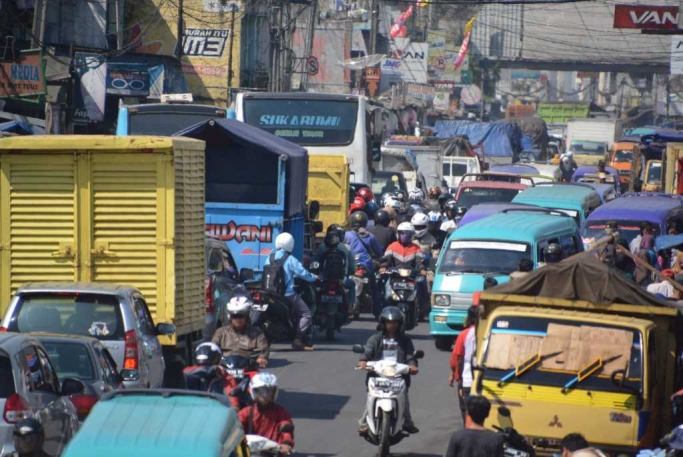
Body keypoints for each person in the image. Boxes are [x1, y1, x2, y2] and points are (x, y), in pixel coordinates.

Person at [357, 306, 419, 435]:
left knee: (404, 399)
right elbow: (367, 351)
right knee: (371, 397)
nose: (392, 326)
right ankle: (363, 423)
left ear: (400, 324)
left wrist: (412, 365)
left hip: (398, 376)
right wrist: (363, 360)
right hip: (378, 375)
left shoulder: (405, 340)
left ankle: (407, 423)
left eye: (395, 323)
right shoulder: (375, 339)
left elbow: (410, 356)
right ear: (383, 323)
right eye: (389, 323)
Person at [264, 232, 318, 351]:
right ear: (290, 244)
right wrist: (314, 277)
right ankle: (298, 340)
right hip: (287, 294)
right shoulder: (290, 259)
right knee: (306, 314)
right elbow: (303, 274)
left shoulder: (269, 257)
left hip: (269, 293)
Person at [238, 372, 294, 455]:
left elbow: (286, 430)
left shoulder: (281, 412)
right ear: (255, 392)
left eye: (269, 392)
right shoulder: (246, 412)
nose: (265, 395)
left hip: (273, 452)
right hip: (247, 451)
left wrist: (286, 444)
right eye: (261, 392)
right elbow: (235, 427)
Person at [345, 211, 384, 318]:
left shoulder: (346, 235)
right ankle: (377, 313)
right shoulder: (370, 236)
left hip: (350, 265)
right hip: (366, 266)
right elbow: (379, 253)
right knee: (375, 289)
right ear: (365, 222)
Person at [314, 225, 357, 319]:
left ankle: (314, 308)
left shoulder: (321, 247)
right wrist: (351, 272)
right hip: (342, 279)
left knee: (314, 287)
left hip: (324, 279)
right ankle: (350, 307)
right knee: (352, 285)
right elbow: (353, 267)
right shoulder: (346, 248)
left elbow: (314, 262)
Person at [213, 296, 270, 365]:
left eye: (241, 316)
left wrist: (261, 358)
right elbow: (212, 348)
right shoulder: (220, 332)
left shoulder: (257, 333)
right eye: (235, 316)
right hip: (224, 367)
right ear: (230, 317)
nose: (238, 319)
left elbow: (264, 349)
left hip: (248, 367)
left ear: (247, 316)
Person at [183, 342, 241, 409]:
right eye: (201, 366)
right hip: (194, 411)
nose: (204, 369)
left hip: (216, 413)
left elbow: (234, 405)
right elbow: (186, 373)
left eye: (208, 366)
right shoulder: (190, 373)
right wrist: (212, 369)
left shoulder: (226, 377)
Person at [449, 306, 479, 423]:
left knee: (466, 412)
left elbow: (456, 360)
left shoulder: (464, 334)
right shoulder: (491, 333)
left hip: (467, 381)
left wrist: (456, 377)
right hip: (487, 382)